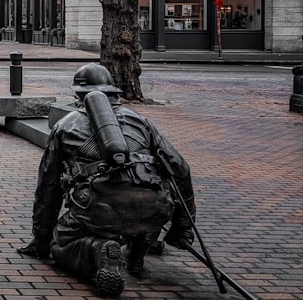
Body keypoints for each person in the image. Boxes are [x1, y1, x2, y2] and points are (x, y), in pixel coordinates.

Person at [19, 63, 196, 298]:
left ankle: (99, 250)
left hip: (99, 211)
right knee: (147, 202)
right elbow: (180, 169)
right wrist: (182, 227)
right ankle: (136, 253)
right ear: (114, 93)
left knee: (60, 245)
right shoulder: (141, 121)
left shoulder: (66, 125)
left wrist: (41, 239)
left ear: (78, 96)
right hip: (154, 209)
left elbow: (48, 187)